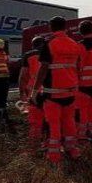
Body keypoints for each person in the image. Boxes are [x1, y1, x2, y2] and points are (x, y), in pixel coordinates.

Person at [30, 16, 82, 164]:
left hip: (53, 93)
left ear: (51, 27)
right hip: (70, 91)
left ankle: (54, 156)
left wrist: (34, 91)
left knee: (53, 124)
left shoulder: (50, 44)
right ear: (65, 27)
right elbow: (77, 67)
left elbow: (43, 69)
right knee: (69, 121)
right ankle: (72, 150)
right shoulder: (74, 44)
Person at [19, 36, 46, 143]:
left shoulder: (28, 55)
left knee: (35, 121)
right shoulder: (51, 53)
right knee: (52, 119)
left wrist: (22, 93)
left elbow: (23, 76)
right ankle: (50, 143)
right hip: (49, 91)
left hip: (34, 92)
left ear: (33, 45)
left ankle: (34, 143)